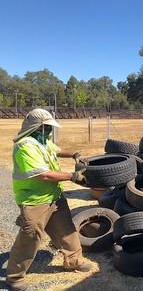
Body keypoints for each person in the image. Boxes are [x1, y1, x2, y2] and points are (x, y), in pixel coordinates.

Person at [6, 108, 91, 291]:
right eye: (46, 127)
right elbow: (43, 175)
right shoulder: (25, 145)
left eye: (49, 127)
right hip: (34, 199)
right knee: (30, 236)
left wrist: (74, 154)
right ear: (36, 126)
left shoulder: (42, 141)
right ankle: (14, 277)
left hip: (54, 195)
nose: (49, 130)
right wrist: (72, 176)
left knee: (67, 229)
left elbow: (57, 150)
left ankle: (74, 261)